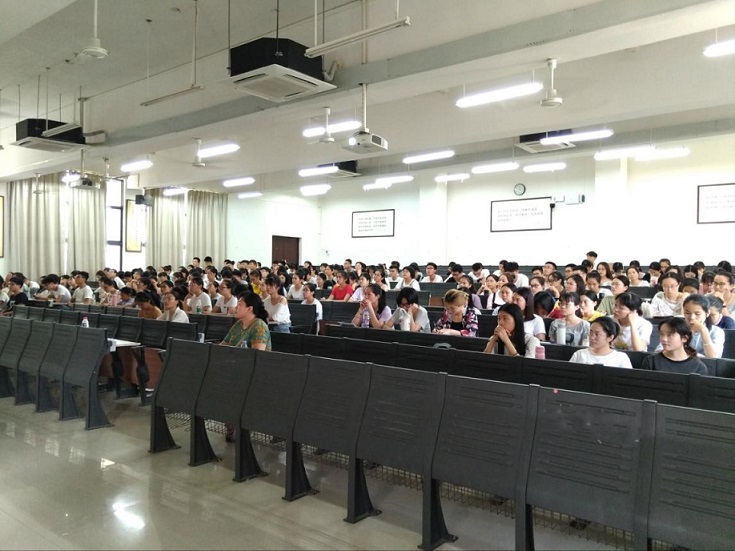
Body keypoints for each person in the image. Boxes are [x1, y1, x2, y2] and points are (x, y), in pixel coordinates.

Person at [641, 317, 708, 374]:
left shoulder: (698, 367)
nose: (664, 339)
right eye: (661, 334)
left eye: (670, 335)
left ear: (684, 338)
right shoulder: (651, 362)